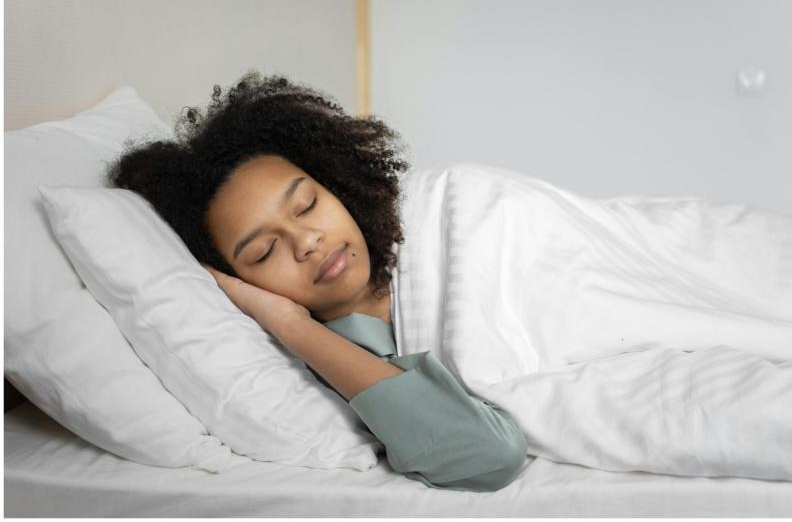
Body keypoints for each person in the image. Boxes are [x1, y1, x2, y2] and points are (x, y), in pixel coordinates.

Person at [105, 71, 528, 491]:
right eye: (264, 252)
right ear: (240, 281)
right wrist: (291, 324)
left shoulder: (434, 216)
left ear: (336, 182)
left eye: (306, 205)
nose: (307, 241)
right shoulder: (345, 354)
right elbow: (488, 455)